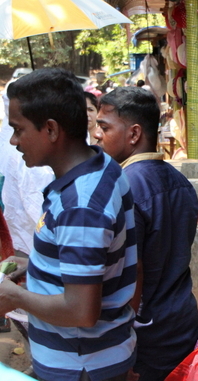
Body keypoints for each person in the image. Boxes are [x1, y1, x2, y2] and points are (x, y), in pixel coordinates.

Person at [0, 68, 137, 381]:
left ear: (50, 129)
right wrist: (28, 266)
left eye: (18, 129)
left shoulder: (81, 204)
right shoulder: (99, 166)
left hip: (82, 366)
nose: (13, 140)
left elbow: (81, 312)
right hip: (97, 356)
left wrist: (14, 297)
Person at [94, 87, 198, 381]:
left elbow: (134, 271)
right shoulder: (180, 181)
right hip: (181, 323)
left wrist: (122, 346)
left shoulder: (123, 186)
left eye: (104, 127)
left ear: (134, 134)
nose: (97, 136)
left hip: (147, 336)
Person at [0, 79, 54, 258]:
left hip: (31, 246)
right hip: (28, 245)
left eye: (18, 130)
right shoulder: (28, 153)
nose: (13, 140)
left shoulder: (34, 152)